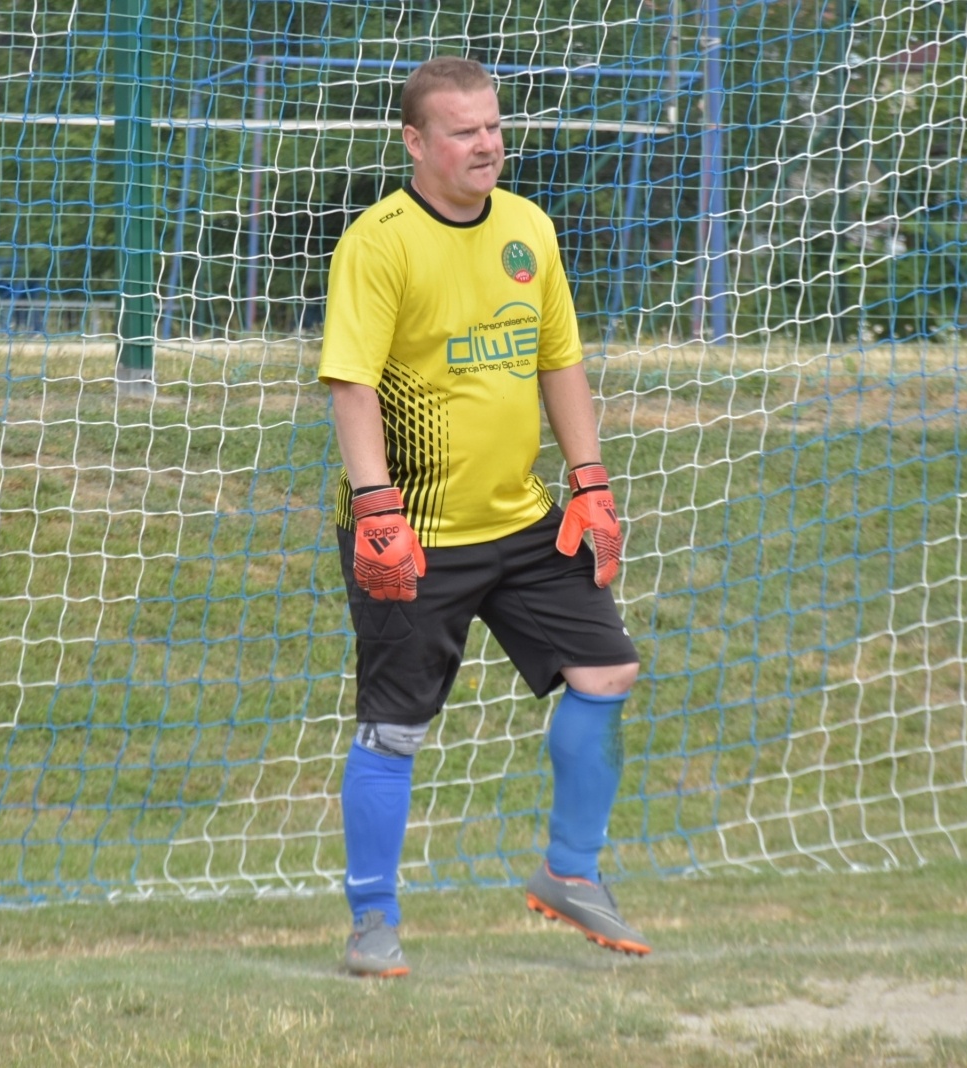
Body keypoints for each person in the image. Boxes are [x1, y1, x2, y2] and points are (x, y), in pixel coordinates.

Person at [318, 56, 649, 979]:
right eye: (464, 130)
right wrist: (377, 509)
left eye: (494, 126)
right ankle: (372, 921)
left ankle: (568, 873)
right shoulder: (378, 242)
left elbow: (560, 364)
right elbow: (349, 384)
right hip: (412, 530)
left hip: (522, 520)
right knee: (395, 727)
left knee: (608, 669)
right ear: (416, 143)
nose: (487, 144)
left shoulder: (528, 230)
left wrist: (590, 481)